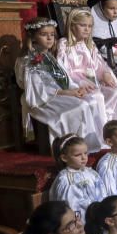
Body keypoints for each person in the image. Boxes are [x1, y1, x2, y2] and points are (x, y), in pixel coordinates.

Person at [16, 18, 103, 152]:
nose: (49, 38)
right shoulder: (30, 60)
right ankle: (68, 148)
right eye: (44, 35)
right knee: (80, 106)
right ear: (33, 37)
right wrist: (68, 93)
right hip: (40, 100)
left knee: (90, 100)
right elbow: (38, 90)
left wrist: (76, 89)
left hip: (57, 94)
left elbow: (65, 79)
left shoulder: (49, 57)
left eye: (52, 34)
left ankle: (86, 144)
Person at [56, 7, 117, 122]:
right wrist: (79, 82)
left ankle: (116, 128)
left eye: (90, 26)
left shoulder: (89, 44)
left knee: (116, 93)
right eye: (83, 25)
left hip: (94, 82)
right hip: (78, 85)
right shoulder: (64, 44)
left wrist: (105, 74)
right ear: (72, 25)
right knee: (97, 96)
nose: (87, 29)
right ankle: (101, 130)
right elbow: (64, 69)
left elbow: (99, 64)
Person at [49, 134, 107, 218]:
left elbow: (102, 193)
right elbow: (72, 207)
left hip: (98, 216)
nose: (84, 158)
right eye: (77, 155)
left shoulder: (91, 173)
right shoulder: (66, 180)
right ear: (64, 158)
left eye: (85, 153)